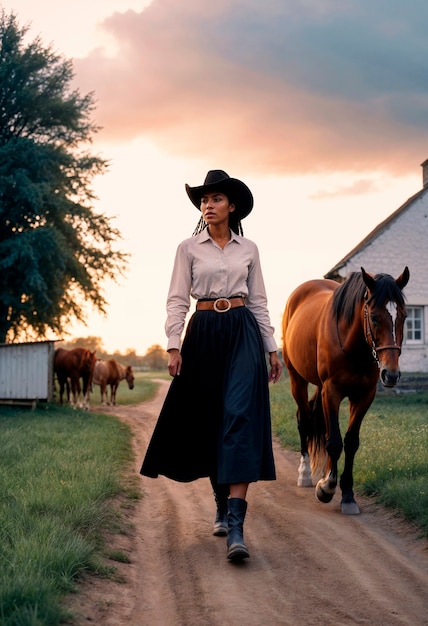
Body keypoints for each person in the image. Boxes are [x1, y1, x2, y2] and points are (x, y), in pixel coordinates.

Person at [140, 169, 282, 562]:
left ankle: (236, 525)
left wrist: (272, 347)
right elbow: (176, 299)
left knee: (239, 418)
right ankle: (220, 504)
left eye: (216, 199)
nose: (208, 205)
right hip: (201, 333)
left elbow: (258, 301)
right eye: (204, 200)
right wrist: (173, 345)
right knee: (210, 420)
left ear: (232, 206)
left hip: (242, 333)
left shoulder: (249, 248)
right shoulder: (187, 248)